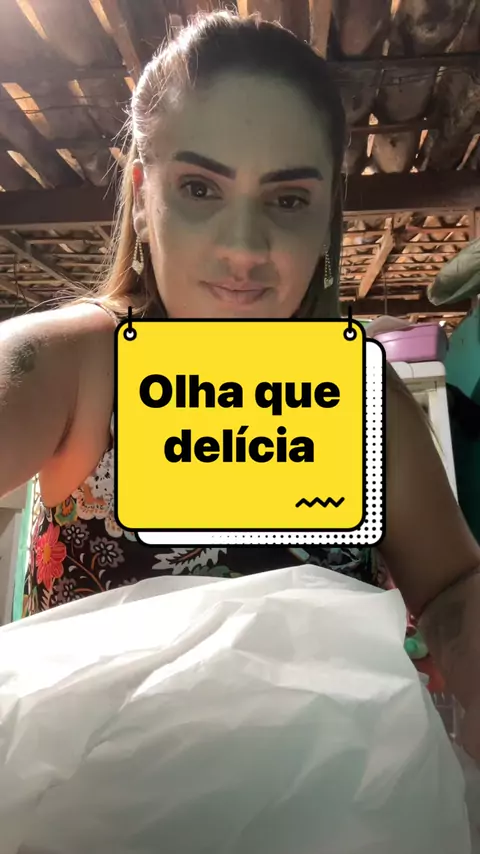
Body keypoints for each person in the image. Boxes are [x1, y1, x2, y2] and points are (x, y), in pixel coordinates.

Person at [0, 10, 478, 760]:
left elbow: (453, 586)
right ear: (142, 196)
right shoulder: (75, 365)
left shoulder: (360, 395)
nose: (245, 249)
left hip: (328, 803)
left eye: (287, 200)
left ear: (325, 212)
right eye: (199, 187)